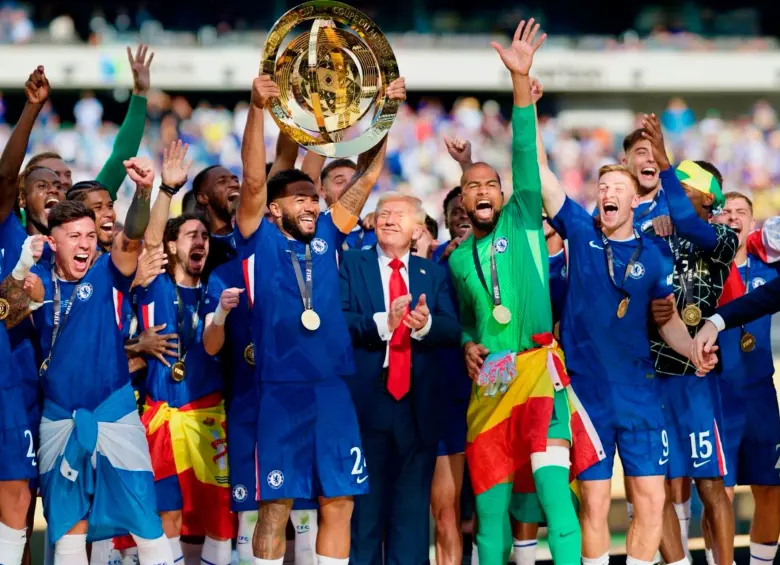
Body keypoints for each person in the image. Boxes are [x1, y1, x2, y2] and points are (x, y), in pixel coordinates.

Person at [233, 73, 405, 565]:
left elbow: (368, 177)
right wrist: (256, 111)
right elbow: (250, 181)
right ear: (274, 209)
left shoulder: (330, 232)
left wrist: (386, 113)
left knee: (340, 500)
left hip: (331, 389)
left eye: (314, 197)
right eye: (300, 199)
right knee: (276, 507)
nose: (312, 204)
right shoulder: (259, 238)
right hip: (280, 391)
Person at [448, 20, 601, 565]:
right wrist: (468, 342)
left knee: (554, 494)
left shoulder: (524, 221)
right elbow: (470, 318)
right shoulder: (458, 259)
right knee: (490, 513)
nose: (484, 190)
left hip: (539, 372)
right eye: (473, 186)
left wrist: (520, 80)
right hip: (491, 382)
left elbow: (522, 149)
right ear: (461, 203)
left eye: (492, 183)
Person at [541, 155, 718, 565]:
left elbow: (668, 318)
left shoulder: (655, 255)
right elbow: (545, 175)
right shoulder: (581, 232)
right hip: (588, 396)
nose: (608, 194)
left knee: (652, 501)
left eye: (618, 189)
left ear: (635, 200)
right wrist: (525, 102)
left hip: (640, 393)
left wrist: (693, 350)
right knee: (595, 501)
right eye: (603, 189)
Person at [23, 158, 174, 564]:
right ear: (53, 242)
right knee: (69, 531)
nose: (86, 244)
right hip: (58, 416)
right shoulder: (35, 275)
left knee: (146, 520)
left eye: (90, 235)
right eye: (74, 236)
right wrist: (23, 267)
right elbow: (8, 306)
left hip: (115, 409)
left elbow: (133, 236)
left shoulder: (108, 271)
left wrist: (143, 192)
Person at [339, 193, 461, 564]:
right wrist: (382, 323)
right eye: (383, 213)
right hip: (366, 404)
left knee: (410, 523)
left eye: (398, 215)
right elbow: (337, 321)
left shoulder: (434, 274)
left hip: (417, 407)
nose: (388, 220)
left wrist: (424, 326)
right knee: (364, 518)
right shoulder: (351, 263)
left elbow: (454, 329)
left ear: (417, 229)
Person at [640, 115, 737, 565]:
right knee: (657, 482)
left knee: (710, 483)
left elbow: (686, 220)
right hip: (651, 377)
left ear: (706, 198)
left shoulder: (720, 237)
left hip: (694, 379)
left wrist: (663, 163)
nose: (670, 188)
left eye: (682, 184)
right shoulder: (651, 234)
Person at [707, 193, 780, 565]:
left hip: (761, 396)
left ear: (752, 223)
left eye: (741, 213)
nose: (733, 218)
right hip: (717, 394)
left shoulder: (770, 267)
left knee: (771, 490)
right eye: (726, 212)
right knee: (720, 491)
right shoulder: (703, 271)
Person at [426, 183, 473, 565]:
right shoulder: (431, 265)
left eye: (467, 210)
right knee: (448, 510)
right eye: (454, 211)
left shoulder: (502, 258)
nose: (462, 216)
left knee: (489, 509)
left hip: (493, 392)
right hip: (445, 396)